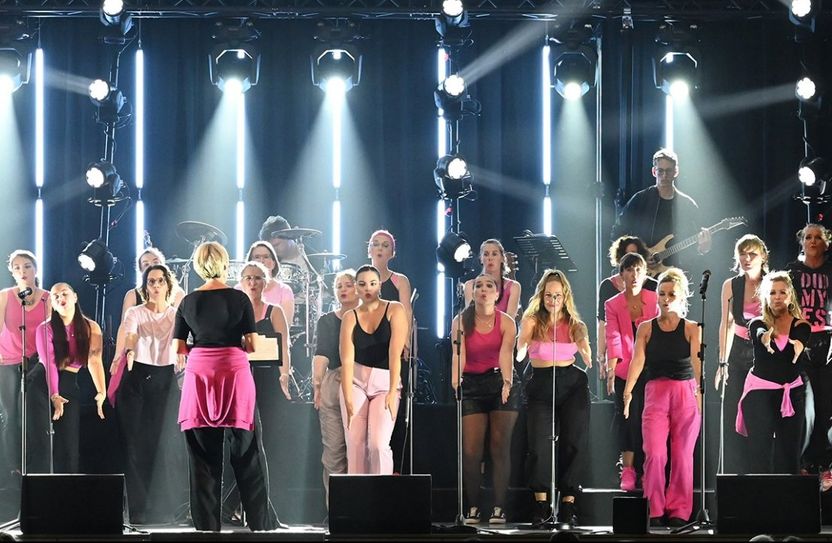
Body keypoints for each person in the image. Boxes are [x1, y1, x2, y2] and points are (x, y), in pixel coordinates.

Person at [173, 242, 277, 532]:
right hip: (233, 371)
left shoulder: (187, 302)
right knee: (248, 451)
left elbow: (179, 348)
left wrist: (204, 344)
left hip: (200, 374)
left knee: (202, 455)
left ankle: (207, 527)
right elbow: (253, 344)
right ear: (224, 263)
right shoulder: (240, 298)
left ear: (197, 265)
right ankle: (260, 524)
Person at [623, 268, 702, 528]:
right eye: (662, 294)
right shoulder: (646, 328)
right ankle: (654, 507)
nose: (666, 298)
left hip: (684, 392)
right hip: (656, 392)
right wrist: (628, 391)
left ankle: (679, 508)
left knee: (682, 455)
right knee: (655, 453)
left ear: (681, 297)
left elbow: (698, 364)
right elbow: (637, 362)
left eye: (671, 294)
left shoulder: (691, 328)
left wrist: (700, 394)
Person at [110, 264, 184, 524]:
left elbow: (182, 340)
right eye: (151, 281)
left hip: (165, 379)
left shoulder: (176, 313)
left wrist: (182, 354)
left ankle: (163, 508)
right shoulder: (135, 312)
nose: (155, 286)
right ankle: (138, 509)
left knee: (163, 444)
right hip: (136, 377)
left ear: (168, 285)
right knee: (133, 444)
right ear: (145, 286)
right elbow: (130, 335)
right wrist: (128, 351)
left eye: (160, 281)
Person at [517, 269, 592, 527]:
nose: (553, 300)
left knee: (574, 440)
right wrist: (521, 348)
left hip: (571, 382)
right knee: (539, 443)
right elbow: (522, 344)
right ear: (542, 296)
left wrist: (586, 352)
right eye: (549, 295)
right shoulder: (532, 320)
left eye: (558, 296)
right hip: (540, 381)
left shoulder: (574, 323)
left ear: (565, 296)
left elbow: (583, 342)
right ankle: (541, 503)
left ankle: (569, 503)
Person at [450, 274, 519, 525]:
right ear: (472, 292)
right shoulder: (460, 321)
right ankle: (474, 506)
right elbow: (459, 356)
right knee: (470, 451)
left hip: (499, 381)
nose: (483, 289)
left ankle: (500, 506)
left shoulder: (507, 322)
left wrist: (507, 383)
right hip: (472, 384)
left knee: (499, 447)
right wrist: (456, 382)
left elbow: (506, 355)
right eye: (478, 285)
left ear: (497, 294)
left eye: (489, 286)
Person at [735, 271, 810, 475]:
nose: (777, 296)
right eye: (773, 292)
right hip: (760, 395)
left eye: (782, 292)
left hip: (791, 394)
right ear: (766, 296)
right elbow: (759, 334)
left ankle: (789, 504)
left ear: (790, 296)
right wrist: (764, 339)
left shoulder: (801, 325)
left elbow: (802, 337)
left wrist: (799, 345)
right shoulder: (757, 323)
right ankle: (760, 504)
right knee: (760, 455)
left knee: (790, 456)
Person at [339, 265, 408, 474]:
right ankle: (357, 501)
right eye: (362, 284)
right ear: (356, 288)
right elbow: (347, 360)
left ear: (380, 285)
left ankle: (383, 497)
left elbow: (395, 354)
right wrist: (347, 396)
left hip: (385, 382)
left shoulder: (394, 309)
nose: (367, 288)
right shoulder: (350, 316)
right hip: (355, 382)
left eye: (372, 283)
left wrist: (392, 389)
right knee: (355, 445)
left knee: (378, 444)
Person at [35, 283, 106, 473]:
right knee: (43, 441)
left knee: (69, 444)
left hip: (69, 383)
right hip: (43, 383)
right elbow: (49, 363)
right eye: (55, 296)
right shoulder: (45, 328)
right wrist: (54, 395)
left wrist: (101, 391)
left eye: (64, 293)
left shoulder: (91, 327)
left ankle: (68, 491)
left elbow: (95, 360)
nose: (60, 298)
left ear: (75, 297)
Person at [604, 252, 659, 492]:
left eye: (638, 270)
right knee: (627, 418)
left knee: (650, 419)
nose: (634, 275)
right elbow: (613, 337)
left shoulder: (655, 298)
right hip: (626, 368)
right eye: (629, 270)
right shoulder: (612, 303)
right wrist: (611, 368)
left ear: (645, 273)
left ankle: (648, 469)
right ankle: (627, 469)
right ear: (621, 275)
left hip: (653, 368)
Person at [714, 235, 768, 475]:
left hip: (764, 352)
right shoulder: (731, 284)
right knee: (735, 409)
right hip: (736, 351)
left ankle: (762, 468)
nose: (746, 259)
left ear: (763, 257)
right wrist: (722, 362)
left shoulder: (771, 282)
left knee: (760, 411)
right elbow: (725, 324)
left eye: (752, 254)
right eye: (742, 254)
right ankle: (736, 469)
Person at [610, 148, 711, 270]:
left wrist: (703, 248)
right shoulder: (640, 199)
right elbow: (618, 232)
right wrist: (638, 257)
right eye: (660, 171)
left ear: (676, 171)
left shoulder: (687, 205)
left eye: (668, 171)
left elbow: (695, 250)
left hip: (676, 273)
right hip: (642, 273)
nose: (664, 176)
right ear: (653, 171)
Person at [786, 224, 832, 485]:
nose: (813, 241)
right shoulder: (791, 271)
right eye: (808, 237)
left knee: (826, 408)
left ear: (827, 243)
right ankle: (800, 463)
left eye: (818, 237)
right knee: (805, 408)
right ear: (800, 241)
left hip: (828, 343)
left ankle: (822, 464)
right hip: (800, 342)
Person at [0, 251, 51, 480]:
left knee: (34, 417)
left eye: (27, 266)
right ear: (12, 271)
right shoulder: (5, 296)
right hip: (8, 361)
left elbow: (52, 335)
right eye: (18, 267)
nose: (23, 271)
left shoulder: (47, 298)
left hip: (36, 364)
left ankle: (37, 471)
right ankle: (13, 471)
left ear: (36, 269)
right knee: (11, 415)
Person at [311, 269, 358, 506]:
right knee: (333, 451)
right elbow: (322, 354)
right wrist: (317, 385)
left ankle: (360, 509)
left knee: (359, 449)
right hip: (334, 380)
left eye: (348, 285)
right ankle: (337, 512)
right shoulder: (327, 320)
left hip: (361, 380)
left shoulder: (368, 317)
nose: (342, 289)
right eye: (339, 285)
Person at [597, 236, 657, 384]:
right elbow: (603, 325)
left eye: (635, 255)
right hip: (620, 356)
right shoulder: (608, 286)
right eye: (627, 256)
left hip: (650, 357)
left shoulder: (653, 287)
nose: (631, 258)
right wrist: (601, 355)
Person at [239, 261, 292, 400]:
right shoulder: (234, 312)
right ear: (241, 282)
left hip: (269, 376)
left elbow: (284, 346)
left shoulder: (275, 311)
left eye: (257, 278)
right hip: (242, 374)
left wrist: (284, 375)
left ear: (265, 283)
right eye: (248, 278)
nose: (253, 282)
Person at [239, 241, 295, 327]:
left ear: (274, 263)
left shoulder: (285, 290)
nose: (261, 261)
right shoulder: (238, 290)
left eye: (266, 257)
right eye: (257, 257)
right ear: (250, 262)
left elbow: (285, 326)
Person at [463, 239, 521, 319]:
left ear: (502, 258)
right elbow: (471, 317)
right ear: (481, 259)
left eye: (494, 254)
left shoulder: (514, 287)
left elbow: (510, 321)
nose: (490, 258)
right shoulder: (469, 286)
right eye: (486, 254)